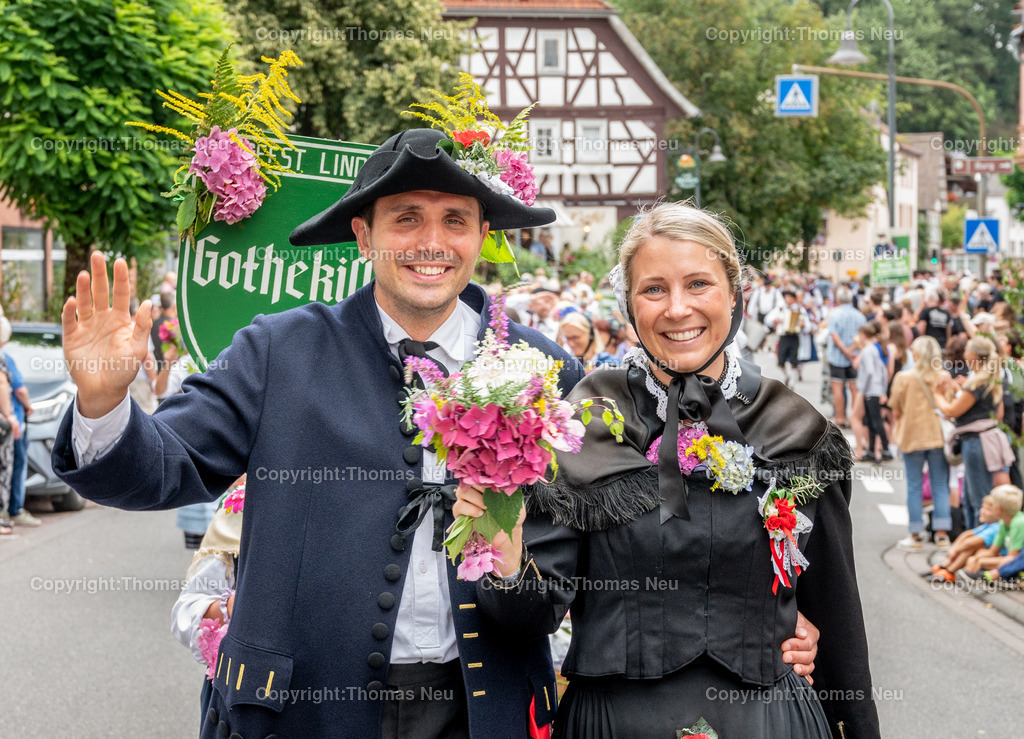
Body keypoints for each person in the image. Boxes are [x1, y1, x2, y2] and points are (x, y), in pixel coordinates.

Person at [52, 127, 584, 738]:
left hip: (485, 715)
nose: (432, 243)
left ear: (482, 237)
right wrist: (102, 403)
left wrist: (512, 571)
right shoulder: (276, 349)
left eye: (455, 221)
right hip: (302, 714)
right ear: (363, 235)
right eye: (406, 219)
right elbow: (166, 467)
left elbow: (552, 590)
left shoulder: (543, 369)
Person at [457, 203, 878, 738]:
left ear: (734, 292)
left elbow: (837, 619)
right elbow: (528, 622)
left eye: (699, 284)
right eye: (654, 289)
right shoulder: (578, 425)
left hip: (770, 723)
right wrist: (507, 556)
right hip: (614, 724)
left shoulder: (796, 430)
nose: (678, 309)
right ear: (629, 305)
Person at [933, 336, 1013, 528]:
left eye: (967, 350)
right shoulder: (990, 379)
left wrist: (937, 394)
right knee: (970, 499)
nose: (965, 354)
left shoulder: (976, 382)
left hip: (976, 442)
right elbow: (998, 413)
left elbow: (951, 410)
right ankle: (974, 542)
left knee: (977, 501)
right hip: (985, 439)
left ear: (974, 355)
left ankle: (979, 544)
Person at [888, 337, 951, 550]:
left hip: (911, 435)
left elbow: (895, 409)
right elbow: (949, 406)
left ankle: (914, 535)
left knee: (914, 486)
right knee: (940, 485)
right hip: (937, 436)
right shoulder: (943, 376)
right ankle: (942, 535)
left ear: (917, 354)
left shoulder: (904, 377)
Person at [1, 317, 38, 527]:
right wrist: (27, 407)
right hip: (9, 423)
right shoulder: (4, 358)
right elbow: (19, 388)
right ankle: (14, 510)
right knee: (15, 465)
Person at [926, 494, 1002, 582]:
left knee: (973, 546)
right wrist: (953, 548)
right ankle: (945, 567)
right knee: (971, 545)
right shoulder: (988, 525)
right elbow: (967, 534)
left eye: (988, 510)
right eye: (983, 507)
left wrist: (955, 550)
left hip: (999, 559)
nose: (982, 511)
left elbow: (972, 542)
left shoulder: (996, 527)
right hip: (991, 556)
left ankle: (949, 571)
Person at [962, 484, 1024, 578]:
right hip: (1007, 559)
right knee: (978, 554)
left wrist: (981, 562)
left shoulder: (1019, 523)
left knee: (984, 561)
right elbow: (993, 551)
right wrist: (976, 558)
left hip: (1016, 563)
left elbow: (1013, 558)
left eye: (991, 505)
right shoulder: (1004, 522)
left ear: (998, 509)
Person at [825, 286, 865, 428]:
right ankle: (855, 417)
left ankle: (840, 418)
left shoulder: (835, 314)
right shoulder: (859, 315)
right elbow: (863, 337)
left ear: (838, 299)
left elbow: (834, 336)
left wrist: (845, 351)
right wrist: (851, 350)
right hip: (855, 357)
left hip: (837, 356)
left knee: (837, 388)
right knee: (854, 388)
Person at [855, 322, 891, 464]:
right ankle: (871, 450)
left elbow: (869, 371)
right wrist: (883, 388)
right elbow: (882, 370)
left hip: (870, 390)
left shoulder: (867, 351)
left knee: (875, 421)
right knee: (870, 421)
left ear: (863, 335)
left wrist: (862, 389)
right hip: (875, 389)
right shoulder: (874, 349)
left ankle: (885, 449)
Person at [766, 290, 807, 388]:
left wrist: (802, 325)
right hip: (783, 336)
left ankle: (792, 382)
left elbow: (807, 325)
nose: (788, 300)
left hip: (794, 337)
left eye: (790, 298)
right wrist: (775, 320)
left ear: (794, 299)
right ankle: (787, 376)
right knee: (780, 360)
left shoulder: (800, 310)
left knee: (793, 359)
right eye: (786, 298)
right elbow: (768, 320)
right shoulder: (780, 309)